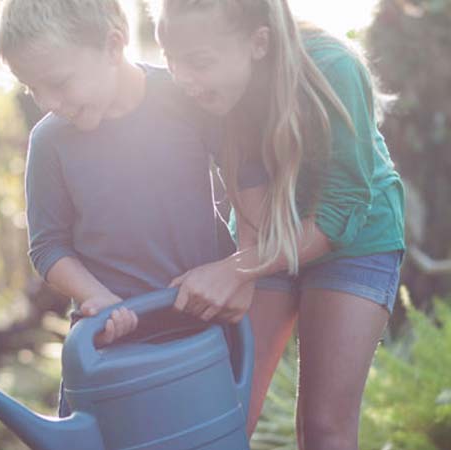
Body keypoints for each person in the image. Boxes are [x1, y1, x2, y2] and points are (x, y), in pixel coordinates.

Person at [155, 1, 406, 449]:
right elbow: (241, 175)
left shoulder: (332, 67)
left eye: (199, 63)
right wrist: (246, 259)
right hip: (266, 229)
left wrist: (239, 268)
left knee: (324, 426)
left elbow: (340, 211)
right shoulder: (204, 89)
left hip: (356, 238)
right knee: (225, 415)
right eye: (172, 61)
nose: (184, 79)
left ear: (258, 43)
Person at [0, 0, 226, 416]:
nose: (47, 101)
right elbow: (47, 247)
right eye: (33, 88)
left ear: (113, 44)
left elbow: (249, 187)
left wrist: (236, 270)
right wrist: (97, 298)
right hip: (107, 348)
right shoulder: (49, 142)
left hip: (201, 337)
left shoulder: (185, 99)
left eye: (59, 82)